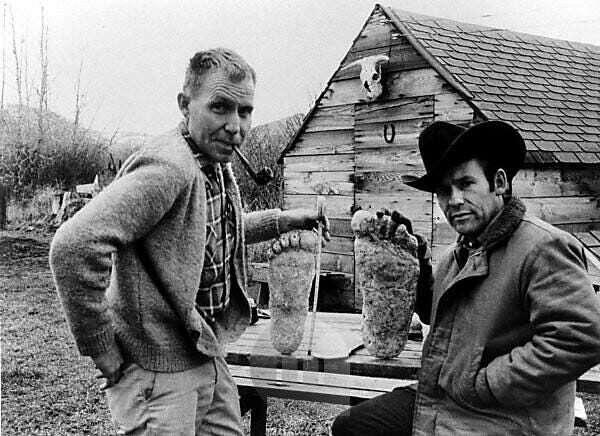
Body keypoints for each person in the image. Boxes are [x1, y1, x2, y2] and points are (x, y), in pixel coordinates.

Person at [49, 48, 329, 435]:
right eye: (220, 107)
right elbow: (73, 246)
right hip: (158, 368)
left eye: (244, 111)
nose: (235, 125)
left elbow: (206, 235)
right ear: (185, 105)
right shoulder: (169, 167)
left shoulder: (213, 162)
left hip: (204, 349)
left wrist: (284, 221)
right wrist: (102, 350)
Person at [332, 120, 600, 435]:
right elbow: (440, 309)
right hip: (447, 400)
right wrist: (408, 259)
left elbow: (581, 337)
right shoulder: (460, 253)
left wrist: (486, 383)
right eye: (444, 190)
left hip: (506, 417)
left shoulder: (542, 247)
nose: (454, 200)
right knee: (353, 426)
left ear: (499, 182)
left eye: (465, 184)